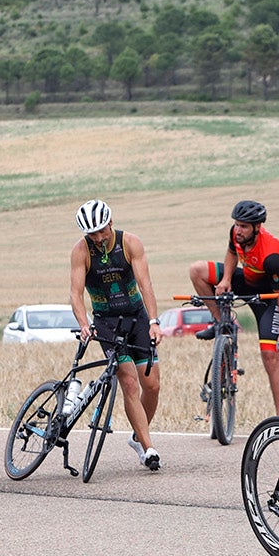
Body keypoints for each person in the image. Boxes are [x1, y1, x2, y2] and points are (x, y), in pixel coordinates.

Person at [69, 199, 164, 471]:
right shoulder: (81, 252)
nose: (98, 238)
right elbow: (75, 293)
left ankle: (137, 435)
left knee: (153, 385)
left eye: (101, 231)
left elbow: (146, 285)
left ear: (111, 222)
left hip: (137, 317)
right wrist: (84, 323)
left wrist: (154, 322)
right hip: (107, 322)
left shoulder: (130, 243)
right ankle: (148, 448)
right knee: (129, 382)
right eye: (92, 234)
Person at [188, 199, 279, 415]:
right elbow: (232, 253)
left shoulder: (272, 253)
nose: (238, 230)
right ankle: (219, 322)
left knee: (270, 356)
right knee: (197, 270)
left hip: (269, 297)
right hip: (246, 280)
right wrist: (225, 279)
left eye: (243, 226)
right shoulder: (236, 235)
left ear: (257, 227)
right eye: (236, 224)